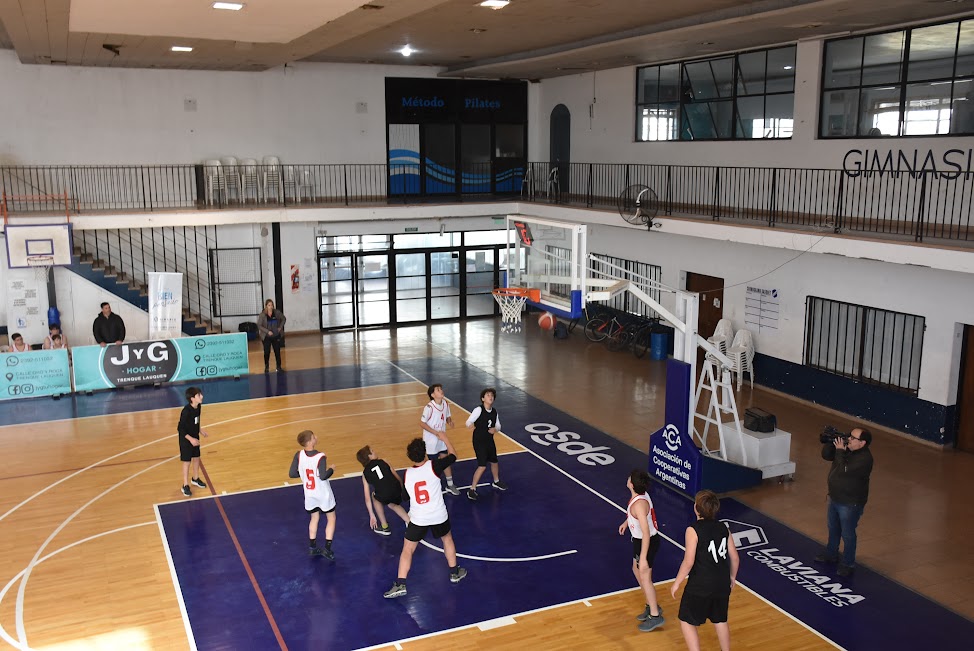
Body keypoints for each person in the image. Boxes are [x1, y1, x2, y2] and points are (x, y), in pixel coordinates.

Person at [383, 436, 467, 598]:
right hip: (438, 514)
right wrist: (445, 438)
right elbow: (453, 455)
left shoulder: (408, 474)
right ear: (425, 452)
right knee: (447, 539)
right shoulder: (434, 465)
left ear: (410, 457)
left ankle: (400, 583)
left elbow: (405, 497)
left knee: (408, 549)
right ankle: (454, 572)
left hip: (418, 517)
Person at [670, 489, 739, 651]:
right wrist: (732, 578)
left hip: (700, 584)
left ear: (696, 508)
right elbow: (735, 558)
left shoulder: (693, 530)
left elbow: (688, 562)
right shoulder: (724, 528)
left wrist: (677, 582)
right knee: (720, 620)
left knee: (686, 620)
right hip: (721, 583)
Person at [815, 427, 874, 577]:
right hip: (835, 497)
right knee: (833, 528)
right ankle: (831, 554)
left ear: (862, 443)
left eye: (853, 438)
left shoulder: (865, 459)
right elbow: (826, 456)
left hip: (850, 503)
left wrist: (840, 450)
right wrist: (831, 443)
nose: (849, 439)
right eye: (849, 436)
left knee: (847, 534)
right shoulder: (847, 449)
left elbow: (844, 470)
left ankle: (848, 564)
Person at [618, 469, 664, 632]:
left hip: (646, 542)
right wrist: (627, 522)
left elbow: (645, 532)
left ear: (631, 484)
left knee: (645, 578)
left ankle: (655, 615)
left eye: (629, 478)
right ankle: (651, 604)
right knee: (636, 570)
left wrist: (643, 558)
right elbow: (639, 516)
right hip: (641, 541)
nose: (628, 478)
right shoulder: (642, 496)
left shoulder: (638, 505)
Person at [288, 430, 337, 559]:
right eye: (314, 436)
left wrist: (303, 474)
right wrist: (332, 469)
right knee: (331, 518)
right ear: (310, 441)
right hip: (323, 493)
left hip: (310, 494)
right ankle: (327, 549)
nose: (316, 437)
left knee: (314, 518)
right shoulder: (320, 456)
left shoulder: (298, 455)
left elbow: (292, 474)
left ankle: (312, 547)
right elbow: (323, 476)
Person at [356, 444, 409, 535]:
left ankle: (385, 527)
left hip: (385, 494)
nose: (375, 452)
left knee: (374, 496)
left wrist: (371, 514)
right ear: (369, 456)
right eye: (372, 451)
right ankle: (411, 523)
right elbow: (397, 477)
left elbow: (367, 498)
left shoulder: (364, 474)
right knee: (393, 504)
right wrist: (403, 489)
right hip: (396, 489)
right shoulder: (384, 461)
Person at [465, 387, 507, 501]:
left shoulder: (494, 411)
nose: (490, 397)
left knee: (494, 461)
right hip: (479, 441)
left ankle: (496, 481)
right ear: (483, 398)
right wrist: (470, 425)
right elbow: (468, 421)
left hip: (489, 440)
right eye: (488, 395)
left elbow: (498, 425)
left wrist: (496, 429)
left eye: (492, 395)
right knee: (482, 465)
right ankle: (472, 489)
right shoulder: (479, 410)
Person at [421, 383, 459, 496]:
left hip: (441, 439)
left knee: (445, 460)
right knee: (433, 465)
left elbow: (447, 416)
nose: (441, 390)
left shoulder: (445, 403)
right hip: (431, 441)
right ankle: (432, 485)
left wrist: (449, 421)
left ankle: (450, 484)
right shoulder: (429, 407)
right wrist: (435, 432)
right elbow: (422, 423)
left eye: (441, 389)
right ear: (432, 395)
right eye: (438, 390)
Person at [178, 387, 209, 497]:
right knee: (187, 462)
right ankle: (185, 485)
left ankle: (195, 478)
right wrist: (191, 439)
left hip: (195, 437)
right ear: (192, 398)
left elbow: (197, 420)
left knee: (196, 458)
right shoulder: (186, 411)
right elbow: (180, 428)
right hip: (186, 439)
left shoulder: (198, 406)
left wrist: (200, 430)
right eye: (199, 395)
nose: (202, 396)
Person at [257, 299, 286, 373]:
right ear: (266, 306)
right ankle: (266, 367)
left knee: (277, 352)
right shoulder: (262, 315)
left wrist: (280, 327)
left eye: (272, 305)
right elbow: (259, 325)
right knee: (267, 352)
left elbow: (283, 319)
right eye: (269, 305)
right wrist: (267, 331)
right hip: (266, 337)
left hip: (276, 336)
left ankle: (278, 367)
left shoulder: (277, 313)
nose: (271, 307)